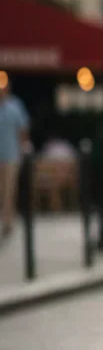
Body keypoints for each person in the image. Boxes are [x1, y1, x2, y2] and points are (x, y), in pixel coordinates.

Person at [0, 81, 31, 240]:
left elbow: (23, 130)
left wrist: (24, 148)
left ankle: (7, 223)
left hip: (11, 156)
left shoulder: (15, 106)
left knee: (9, 191)